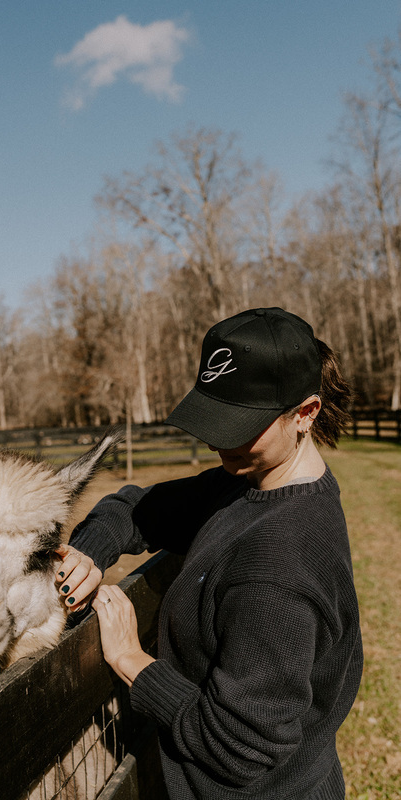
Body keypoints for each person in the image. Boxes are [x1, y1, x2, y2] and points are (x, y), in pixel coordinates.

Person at [55, 307, 363, 800]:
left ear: (305, 413)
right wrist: (86, 555)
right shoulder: (247, 483)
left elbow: (240, 747)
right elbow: (134, 507)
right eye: (214, 416)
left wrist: (132, 659)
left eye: (241, 423)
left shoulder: (280, 562)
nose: (219, 440)